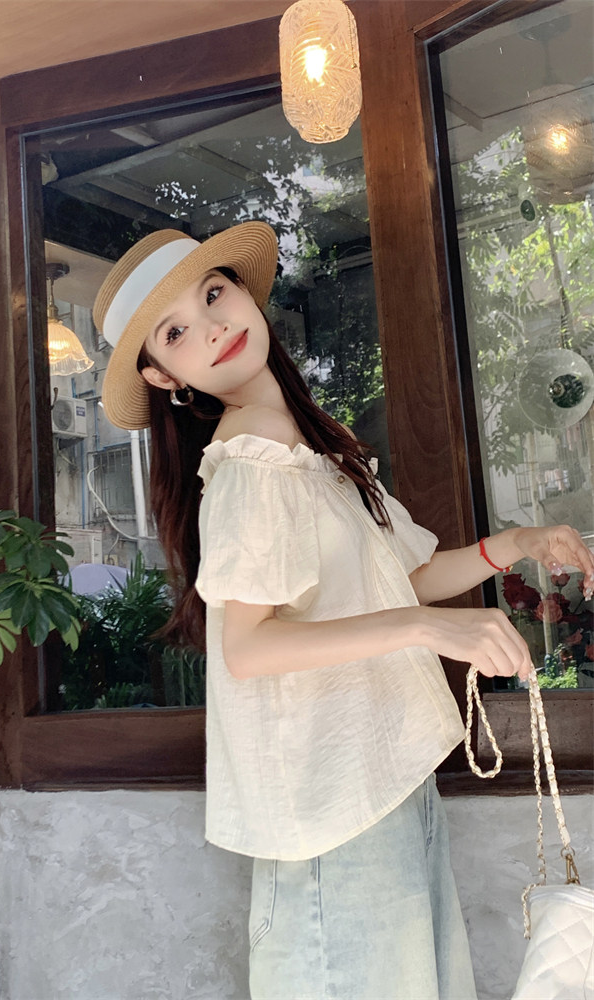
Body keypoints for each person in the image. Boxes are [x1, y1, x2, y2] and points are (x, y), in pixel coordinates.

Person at [92, 221, 594, 1000]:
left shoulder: (312, 449)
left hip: (383, 784)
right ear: (164, 376)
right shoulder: (250, 459)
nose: (213, 325)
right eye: (177, 331)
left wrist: (519, 543)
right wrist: (429, 629)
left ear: (245, 293)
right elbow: (247, 647)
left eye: (214, 293)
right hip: (329, 813)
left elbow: (407, 576)